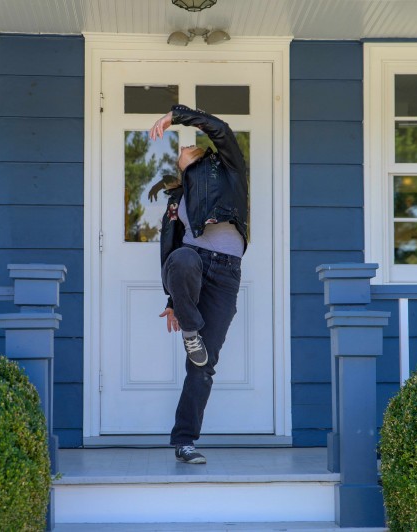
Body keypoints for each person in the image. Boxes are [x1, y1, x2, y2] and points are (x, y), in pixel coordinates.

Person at [149, 105, 248, 464]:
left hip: (225, 274)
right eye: (179, 149)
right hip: (189, 263)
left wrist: (175, 117)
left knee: (203, 365)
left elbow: (219, 126)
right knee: (181, 257)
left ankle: (185, 440)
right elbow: (171, 251)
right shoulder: (178, 201)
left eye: (190, 145)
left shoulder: (230, 170)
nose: (184, 147)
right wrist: (175, 301)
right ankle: (192, 331)